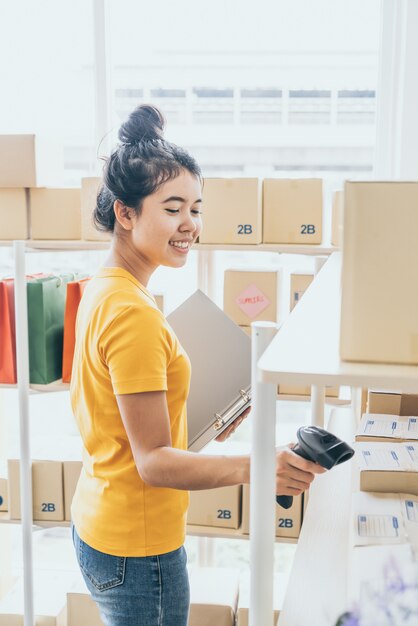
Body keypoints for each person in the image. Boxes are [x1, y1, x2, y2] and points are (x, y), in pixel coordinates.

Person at [70, 104, 326, 626]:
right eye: (172, 208)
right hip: (138, 549)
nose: (190, 224)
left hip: (105, 522)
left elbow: (124, 423)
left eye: (196, 207)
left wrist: (203, 423)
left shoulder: (107, 289)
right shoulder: (132, 313)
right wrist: (262, 467)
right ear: (126, 212)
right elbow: (153, 463)